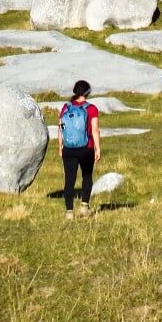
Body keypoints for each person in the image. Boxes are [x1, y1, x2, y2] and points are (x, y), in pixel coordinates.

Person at [58, 79, 100, 218]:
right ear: (87, 92)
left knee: (69, 180)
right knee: (87, 177)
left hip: (68, 149)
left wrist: (60, 145)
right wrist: (97, 149)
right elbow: (95, 130)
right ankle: (84, 208)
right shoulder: (91, 108)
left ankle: (69, 212)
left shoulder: (66, 107)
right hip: (86, 148)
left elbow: (61, 128)